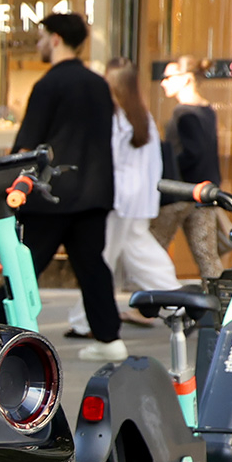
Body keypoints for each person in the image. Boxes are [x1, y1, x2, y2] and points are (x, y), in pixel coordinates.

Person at [1, 12, 123, 360]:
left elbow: (27, 145)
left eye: (41, 37)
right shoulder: (98, 84)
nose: (39, 44)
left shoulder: (48, 85)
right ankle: (110, 339)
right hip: (94, 191)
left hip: (50, 192)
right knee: (91, 265)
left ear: (55, 39)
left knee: (24, 263)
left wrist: (11, 181)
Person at [70, 59, 179, 334]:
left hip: (118, 200)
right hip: (137, 199)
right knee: (136, 253)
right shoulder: (142, 116)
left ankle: (85, 320)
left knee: (103, 258)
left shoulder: (116, 117)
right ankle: (179, 301)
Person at [157, 57, 227, 279]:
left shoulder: (184, 112)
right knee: (207, 257)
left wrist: (166, 173)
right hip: (203, 193)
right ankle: (219, 303)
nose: (163, 82)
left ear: (186, 79)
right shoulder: (207, 110)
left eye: (168, 77)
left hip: (180, 193)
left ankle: (150, 299)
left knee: (154, 247)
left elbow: (191, 153)